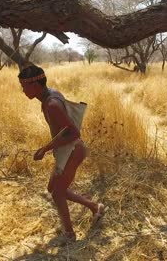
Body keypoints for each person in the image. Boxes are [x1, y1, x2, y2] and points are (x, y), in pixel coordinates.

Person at [19, 65, 104, 243]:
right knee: (54, 188)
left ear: (35, 85)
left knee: (58, 193)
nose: (23, 90)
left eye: (24, 86)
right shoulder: (51, 94)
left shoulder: (51, 104)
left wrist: (45, 148)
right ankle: (94, 206)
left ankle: (69, 235)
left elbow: (73, 133)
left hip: (72, 150)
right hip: (68, 149)